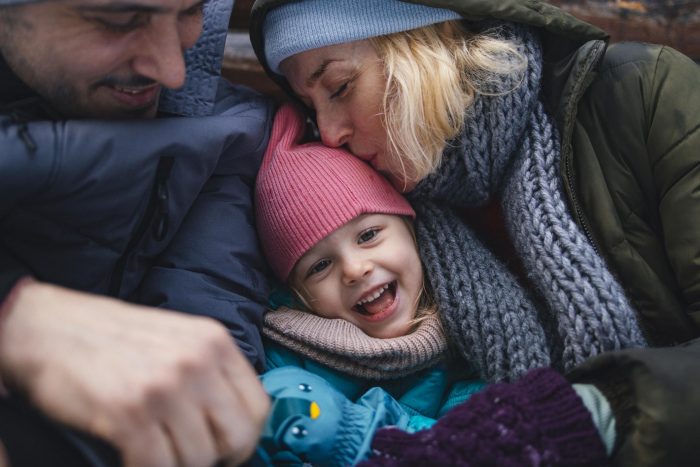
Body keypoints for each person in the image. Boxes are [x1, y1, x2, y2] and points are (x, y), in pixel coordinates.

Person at [249, 0, 700, 380]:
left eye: (340, 87)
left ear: (421, 45)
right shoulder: (384, 224)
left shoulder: (645, 93)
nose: (327, 134)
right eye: (310, 109)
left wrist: (588, 420)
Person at [251, 103, 617, 467]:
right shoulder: (289, 365)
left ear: (410, 231)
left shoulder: (465, 334)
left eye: (369, 235)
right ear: (299, 294)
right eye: (320, 266)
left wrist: (365, 431)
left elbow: (472, 435)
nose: (355, 268)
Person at [0, 0, 273, 465]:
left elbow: (212, 295)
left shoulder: (225, 127)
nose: (172, 69)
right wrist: (15, 316)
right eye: (118, 20)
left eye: (192, 11)